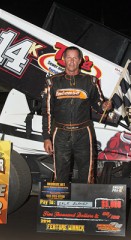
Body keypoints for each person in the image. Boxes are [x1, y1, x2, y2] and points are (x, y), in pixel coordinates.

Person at [41, 46, 112, 184]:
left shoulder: (91, 81)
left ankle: (85, 203)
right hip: (60, 134)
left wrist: (105, 106)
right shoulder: (52, 82)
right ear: (63, 59)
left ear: (80, 60)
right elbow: (47, 112)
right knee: (60, 174)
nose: (72, 61)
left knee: (87, 174)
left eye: (75, 58)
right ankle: (60, 205)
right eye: (69, 57)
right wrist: (46, 137)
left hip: (84, 133)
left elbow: (98, 105)